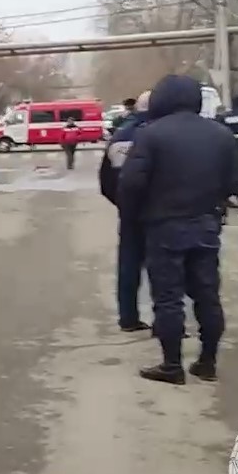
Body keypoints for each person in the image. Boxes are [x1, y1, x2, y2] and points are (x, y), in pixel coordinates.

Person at [118, 74, 238, 385]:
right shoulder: (221, 135)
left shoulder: (151, 135)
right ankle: (208, 361)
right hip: (206, 224)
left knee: (169, 297)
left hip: (164, 226)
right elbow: (234, 183)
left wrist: (134, 216)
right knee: (207, 294)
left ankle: (172, 365)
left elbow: (131, 183)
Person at [99, 90, 152, 332]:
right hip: (160, 212)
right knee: (164, 268)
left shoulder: (119, 136)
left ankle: (128, 317)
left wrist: (122, 202)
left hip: (130, 213)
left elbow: (106, 181)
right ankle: (168, 321)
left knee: (128, 265)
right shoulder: (159, 132)